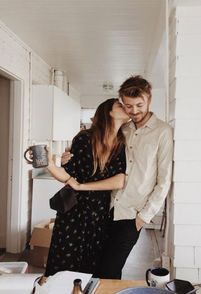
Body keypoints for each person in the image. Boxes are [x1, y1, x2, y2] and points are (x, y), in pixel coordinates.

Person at [62, 75, 173, 279]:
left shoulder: (162, 132)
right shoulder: (123, 128)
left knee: (110, 270)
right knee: (95, 267)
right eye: (128, 106)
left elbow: (163, 181)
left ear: (149, 99)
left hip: (131, 215)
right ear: (122, 102)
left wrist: (143, 218)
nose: (134, 111)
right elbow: (99, 151)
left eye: (139, 104)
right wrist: (69, 157)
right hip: (105, 208)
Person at [43, 98, 129, 277]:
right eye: (120, 105)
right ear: (108, 112)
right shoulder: (84, 138)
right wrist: (50, 165)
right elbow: (68, 175)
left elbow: (120, 180)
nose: (126, 107)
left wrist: (82, 186)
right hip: (74, 210)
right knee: (64, 263)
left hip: (99, 212)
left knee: (92, 265)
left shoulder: (122, 143)